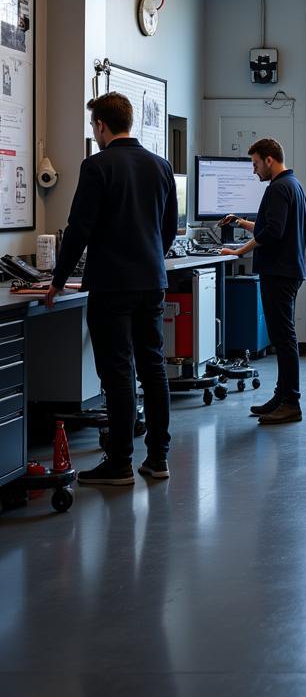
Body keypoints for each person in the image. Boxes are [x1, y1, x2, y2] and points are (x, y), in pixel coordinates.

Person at [47, 92, 177, 485]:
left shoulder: (96, 166)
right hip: (152, 281)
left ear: (101, 125)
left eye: (93, 126)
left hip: (112, 285)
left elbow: (78, 230)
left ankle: (119, 462)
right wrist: (150, 257)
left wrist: (56, 281)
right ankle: (158, 459)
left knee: (118, 372)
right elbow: (167, 229)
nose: (94, 132)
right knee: (153, 370)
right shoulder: (161, 166)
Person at [220, 138, 306, 425]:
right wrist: (241, 223)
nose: (254, 171)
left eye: (255, 163)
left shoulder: (279, 188)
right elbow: (270, 224)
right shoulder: (292, 184)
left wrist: (238, 251)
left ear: (269, 160)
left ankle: (291, 402)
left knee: (283, 338)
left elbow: (273, 232)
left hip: (280, 273)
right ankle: (281, 396)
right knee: (282, 337)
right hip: (288, 270)